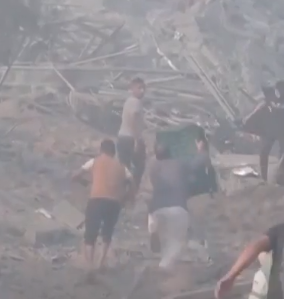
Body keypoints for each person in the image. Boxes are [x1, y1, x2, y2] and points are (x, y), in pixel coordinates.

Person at [72, 139, 133, 272]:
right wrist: (125, 197)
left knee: (90, 233)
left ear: (101, 150)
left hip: (97, 200)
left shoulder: (94, 161)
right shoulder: (121, 166)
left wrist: (84, 182)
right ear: (113, 152)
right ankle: (100, 263)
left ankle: (89, 265)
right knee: (107, 232)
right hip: (114, 202)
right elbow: (130, 181)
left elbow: (75, 175)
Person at [146, 143, 193, 269]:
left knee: (163, 235)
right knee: (176, 242)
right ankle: (164, 267)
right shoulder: (180, 164)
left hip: (156, 209)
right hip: (178, 208)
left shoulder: (154, 166)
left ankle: (152, 229)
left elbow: (152, 184)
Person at [118, 77, 149, 183]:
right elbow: (133, 118)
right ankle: (133, 188)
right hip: (131, 139)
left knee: (124, 167)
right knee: (139, 166)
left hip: (122, 137)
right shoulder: (136, 102)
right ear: (132, 89)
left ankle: (124, 188)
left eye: (143, 88)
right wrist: (136, 140)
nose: (142, 91)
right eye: (139, 88)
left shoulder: (128, 101)